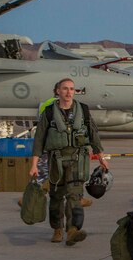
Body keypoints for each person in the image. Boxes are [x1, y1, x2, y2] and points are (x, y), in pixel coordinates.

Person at [30, 78, 110, 245]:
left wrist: (101, 157)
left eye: (72, 89)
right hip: (56, 160)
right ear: (57, 91)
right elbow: (39, 139)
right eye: (65, 89)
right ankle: (57, 228)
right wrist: (34, 165)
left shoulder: (84, 110)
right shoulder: (49, 112)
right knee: (56, 196)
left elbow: (93, 134)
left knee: (75, 196)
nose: (68, 92)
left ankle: (73, 230)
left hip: (77, 159)